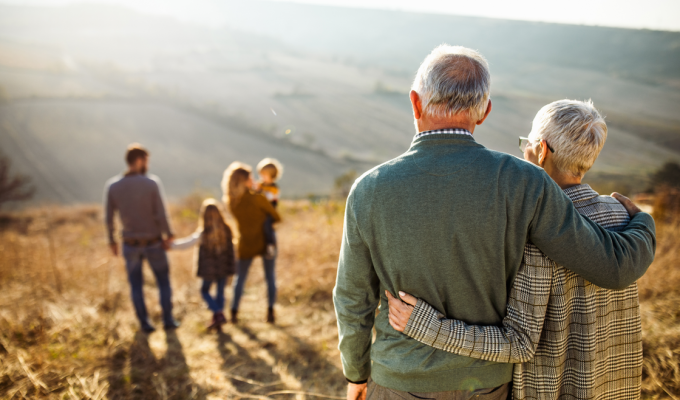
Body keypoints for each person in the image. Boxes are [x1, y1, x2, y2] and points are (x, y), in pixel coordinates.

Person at [333, 45, 656, 400]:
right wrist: (642, 222)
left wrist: (356, 373)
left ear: (415, 102)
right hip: (486, 385)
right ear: (484, 111)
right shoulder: (524, 181)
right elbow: (610, 265)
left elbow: (353, 299)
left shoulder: (369, 189)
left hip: (398, 380)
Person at [387, 99, 645, 400]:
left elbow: (519, 343)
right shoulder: (623, 215)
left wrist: (427, 326)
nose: (524, 151)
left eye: (527, 144)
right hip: (616, 390)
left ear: (542, 151)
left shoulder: (533, 229)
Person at [104, 143, 179, 333]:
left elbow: (109, 217)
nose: (148, 165)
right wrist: (169, 234)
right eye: (146, 161)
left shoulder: (113, 186)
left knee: (135, 285)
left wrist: (112, 241)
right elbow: (161, 214)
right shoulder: (151, 183)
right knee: (163, 282)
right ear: (139, 160)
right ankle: (168, 320)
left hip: (129, 244)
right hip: (153, 242)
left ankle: (145, 324)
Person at [222, 162, 281, 324]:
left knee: (239, 278)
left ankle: (233, 312)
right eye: (251, 177)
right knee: (270, 277)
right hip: (266, 240)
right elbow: (276, 216)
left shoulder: (231, 202)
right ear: (245, 180)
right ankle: (270, 311)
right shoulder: (258, 198)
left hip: (245, 242)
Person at [172, 199, 236, 331]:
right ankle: (218, 317)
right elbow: (232, 250)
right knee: (220, 293)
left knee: (204, 291)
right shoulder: (227, 229)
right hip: (223, 267)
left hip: (209, 269)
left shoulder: (204, 233)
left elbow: (187, 243)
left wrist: (171, 245)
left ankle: (218, 314)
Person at [255, 158, 283, 259]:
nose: (262, 177)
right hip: (260, 212)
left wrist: (260, 191)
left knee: (267, 226)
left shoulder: (274, 188)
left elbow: (269, 198)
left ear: (272, 175)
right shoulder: (261, 185)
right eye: (261, 174)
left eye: (264, 175)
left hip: (269, 212)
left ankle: (270, 246)